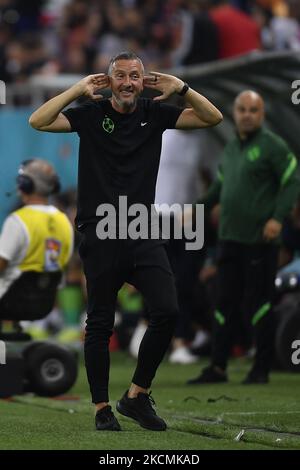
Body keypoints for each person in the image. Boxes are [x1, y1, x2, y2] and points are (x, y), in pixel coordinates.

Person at [29, 51, 222, 431]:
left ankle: (136, 395)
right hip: (101, 232)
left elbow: (212, 117)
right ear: (109, 80)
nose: (129, 82)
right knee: (100, 322)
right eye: (121, 76)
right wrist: (78, 89)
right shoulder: (89, 113)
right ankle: (101, 408)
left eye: (136, 76)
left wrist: (181, 88)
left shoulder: (156, 112)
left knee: (167, 309)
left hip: (141, 230)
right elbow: (38, 120)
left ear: (144, 81)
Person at [187, 90, 299, 386]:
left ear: (261, 114)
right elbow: (219, 188)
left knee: (259, 303)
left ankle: (261, 368)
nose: (247, 114)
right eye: (242, 109)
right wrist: (196, 210)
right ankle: (218, 367)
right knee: (223, 302)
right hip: (230, 239)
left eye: (254, 109)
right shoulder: (232, 148)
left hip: (260, 242)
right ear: (235, 113)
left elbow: (292, 180)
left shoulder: (273, 146)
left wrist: (277, 218)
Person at [0, 159, 73, 300]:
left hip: (11, 300)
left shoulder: (17, 220)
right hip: (45, 302)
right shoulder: (64, 221)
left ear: (25, 185)